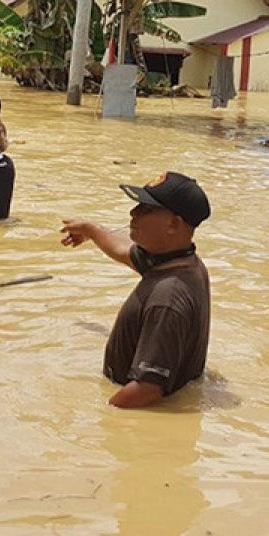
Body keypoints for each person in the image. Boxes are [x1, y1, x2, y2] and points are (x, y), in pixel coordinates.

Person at [60, 172, 211, 409]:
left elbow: (147, 390)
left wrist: (97, 416)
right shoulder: (179, 262)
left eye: (146, 209)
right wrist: (91, 230)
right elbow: (122, 249)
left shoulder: (168, 297)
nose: (133, 213)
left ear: (173, 224)